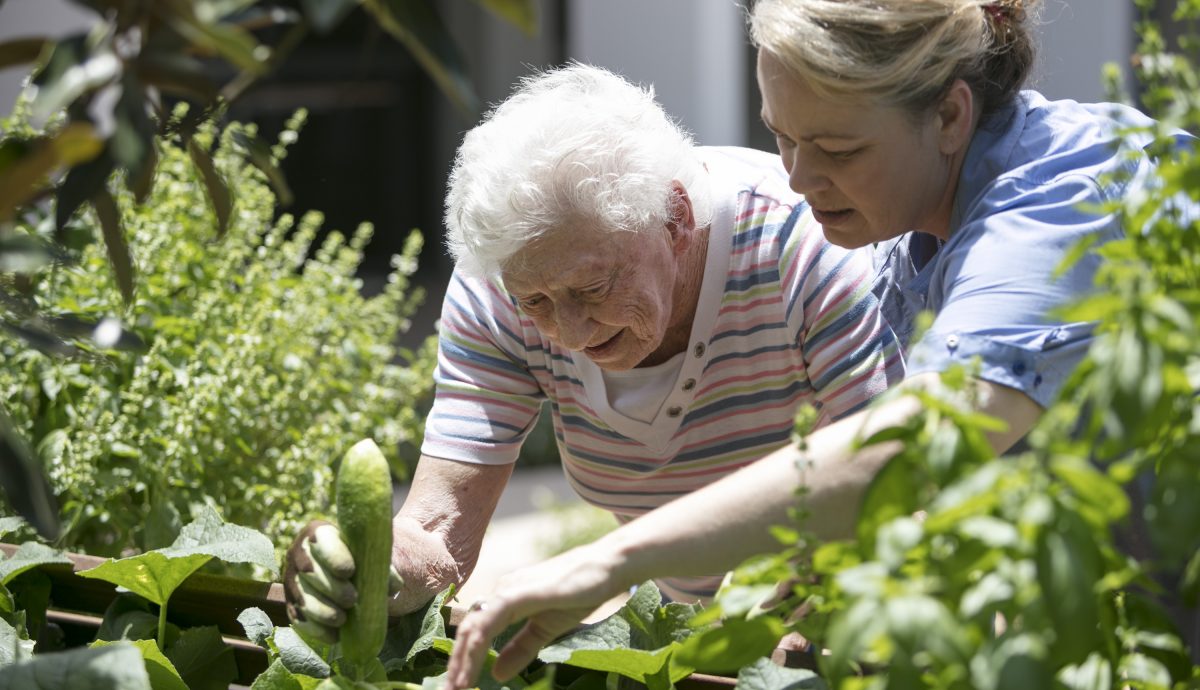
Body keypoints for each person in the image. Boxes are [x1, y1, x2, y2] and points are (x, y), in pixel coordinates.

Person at [442, 1, 1198, 688]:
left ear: (949, 117)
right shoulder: (912, 238)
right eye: (781, 136)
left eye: (837, 148)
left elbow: (915, 448)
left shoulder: (1054, 201)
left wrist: (606, 561)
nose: (800, 179)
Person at [281, 63, 903, 645]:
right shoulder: (498, 284)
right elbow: (441, 529)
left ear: (676, 218)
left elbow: (886, 486)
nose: (570, 334)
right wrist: (372, 563)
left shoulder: (808, 250)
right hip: (689, 635)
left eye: (593, 288)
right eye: (538, 303)